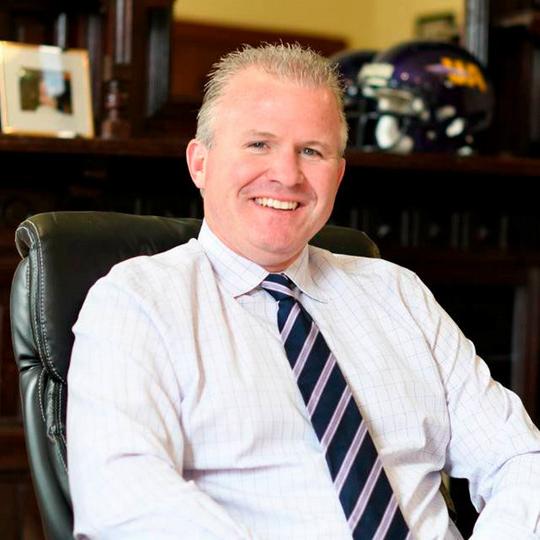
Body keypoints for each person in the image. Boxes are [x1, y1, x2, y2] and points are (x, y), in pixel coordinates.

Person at [67, 43, 540, 539]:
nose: (287, 175)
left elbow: (519, 456)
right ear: (200, 163)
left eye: (311, 151)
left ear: (337, 174)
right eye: (258, 145)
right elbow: (122, 498)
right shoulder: (136, 301)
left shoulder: (396, 292)